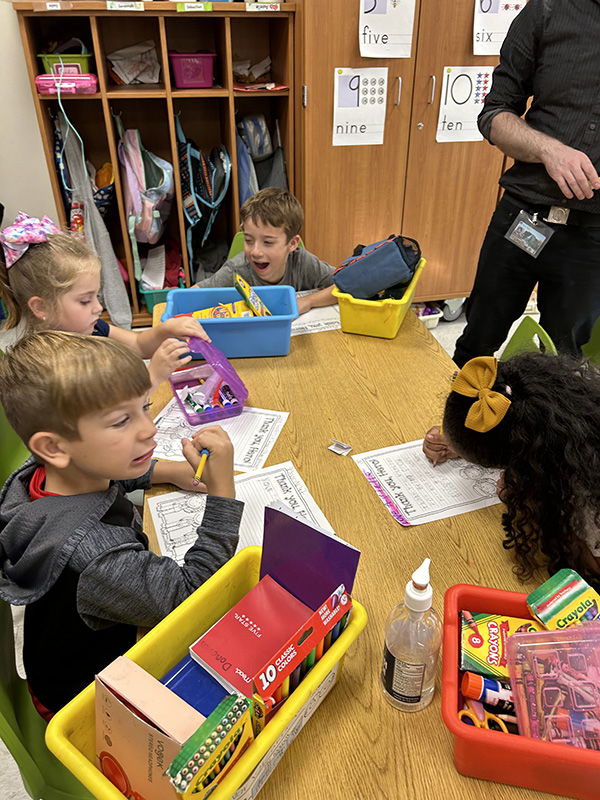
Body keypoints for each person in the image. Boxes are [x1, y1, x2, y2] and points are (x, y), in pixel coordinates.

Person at [0, 331, 243, 717]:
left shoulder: (38, 476)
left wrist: (172, 471)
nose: (149, 430)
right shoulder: (98, 558)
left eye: (144, 408)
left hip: (60, 663)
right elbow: (191, 595)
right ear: (54, 448)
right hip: (84, 704)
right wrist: (223, 494)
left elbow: (101, 475)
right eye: (120, 422)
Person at [453, 0, 600, 368]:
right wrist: (548, 150)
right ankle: (453, 425)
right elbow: (494, 114)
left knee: (563, 367)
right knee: (477, 342)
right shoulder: (548, 10)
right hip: (524, 216)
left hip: (591, 238)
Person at [423, 352, 600, 590]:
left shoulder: (583, 495)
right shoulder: (566, 414)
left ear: (518, 456)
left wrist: (534, 505)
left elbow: (592, 569)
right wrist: (459, 441)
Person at [0, 212, 210, 389]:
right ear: (40, 307)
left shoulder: (89, 328)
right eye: (85, 301)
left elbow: (137, 345)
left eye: (96, 297)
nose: (98, 308)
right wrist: (152, 377)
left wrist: (166, 329)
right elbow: (109, 418)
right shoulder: (50, 369)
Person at [192, 188, 336, 316]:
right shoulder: (237, 270)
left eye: (268, 242)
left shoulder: (302, 263)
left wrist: (308, 301)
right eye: (248, 240)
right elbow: (191, 296)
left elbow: (346, 284)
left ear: (292, 244)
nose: (255, 252)